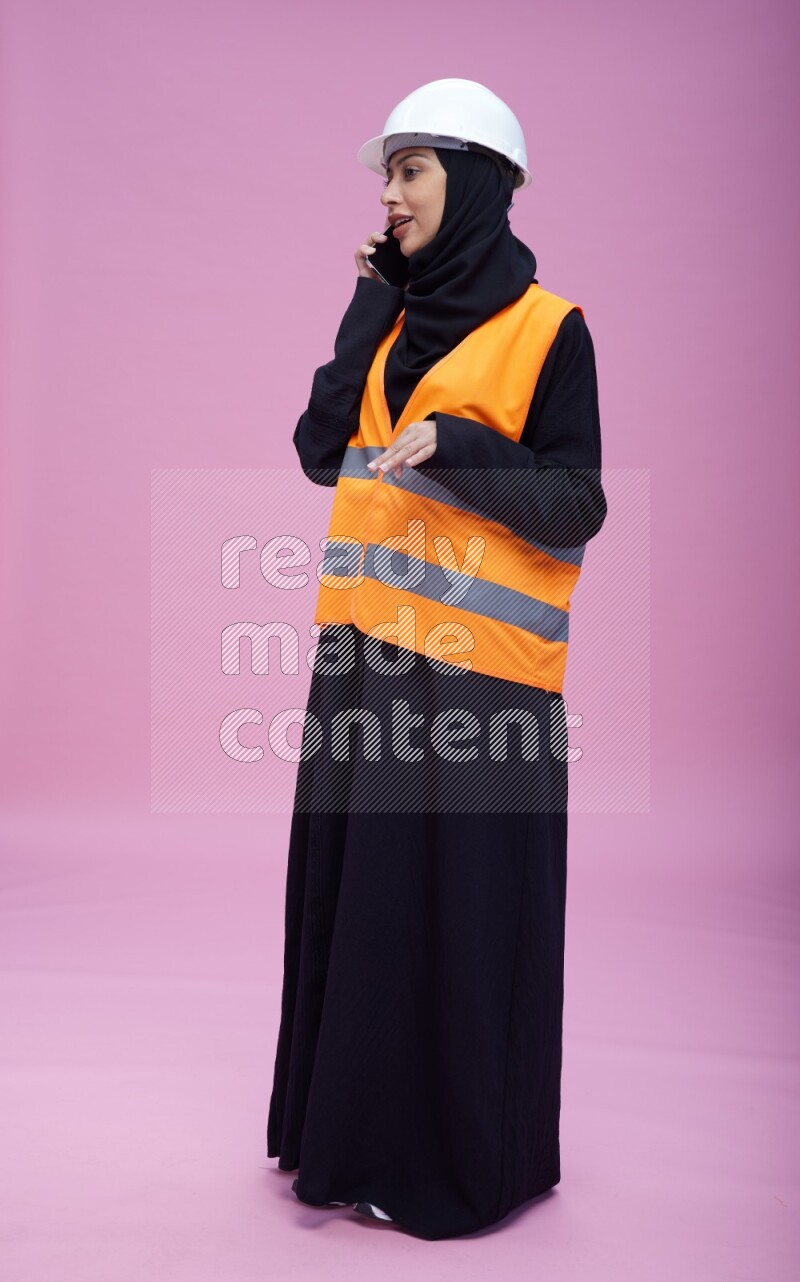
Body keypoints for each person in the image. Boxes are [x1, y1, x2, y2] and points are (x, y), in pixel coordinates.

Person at [266, 78, 607, 1241]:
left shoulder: (549, 328)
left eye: (411, 169)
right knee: (362, 912)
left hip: (483, 680)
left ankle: (459, 1163)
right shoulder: (394, 321)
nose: (390, 190)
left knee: (458, 926)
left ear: (472, 183)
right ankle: (345, 1146)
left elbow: (574, 504)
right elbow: (322, 452)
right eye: (388, 171)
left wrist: (461, 446)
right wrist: (367, 307)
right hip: (363, 660)